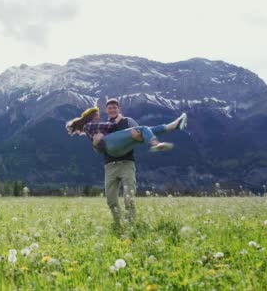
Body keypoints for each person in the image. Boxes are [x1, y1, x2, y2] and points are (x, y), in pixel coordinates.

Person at [66, 99, 187, 231]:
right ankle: (119, 226)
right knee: (111, 200)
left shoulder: (127, 121)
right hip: (110, 163)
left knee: (129, 198)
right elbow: (99, 149)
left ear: (119, 109)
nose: (112, 110)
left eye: (114, 108)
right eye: (110, 108)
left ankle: (131, 226)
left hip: (126, 162)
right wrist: (95, 144)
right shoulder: (104, 125)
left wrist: (138, 137)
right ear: (107, 111)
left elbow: (140, 134)